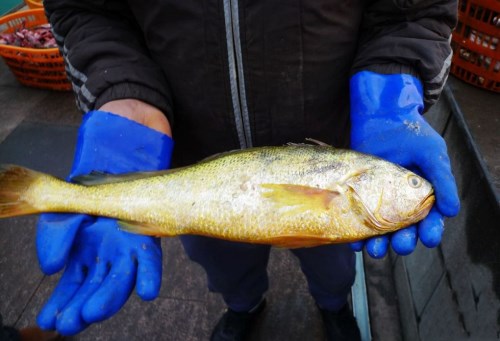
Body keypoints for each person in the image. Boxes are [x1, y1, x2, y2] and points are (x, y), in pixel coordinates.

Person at [37, 0, 460, 340]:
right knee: (224, 266)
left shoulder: (352, 197)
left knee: (334, 267)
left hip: (335, 136)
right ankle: (243, 306)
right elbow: (85, 9)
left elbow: (414, 11)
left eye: (407, 182)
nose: (415, 189)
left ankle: (333, 305)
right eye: (407, 181)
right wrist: (123, 92)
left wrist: (391, 82)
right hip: (190, 150)